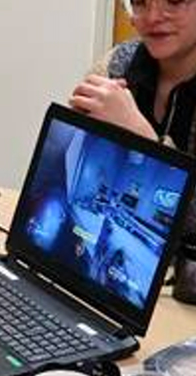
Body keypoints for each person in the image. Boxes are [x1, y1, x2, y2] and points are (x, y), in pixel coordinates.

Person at [69, 0, 196, 302]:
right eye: (140, 2)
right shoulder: (117, 64)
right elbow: (74, 148)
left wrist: (142, 137)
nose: (153, 17)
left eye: (175, 0)